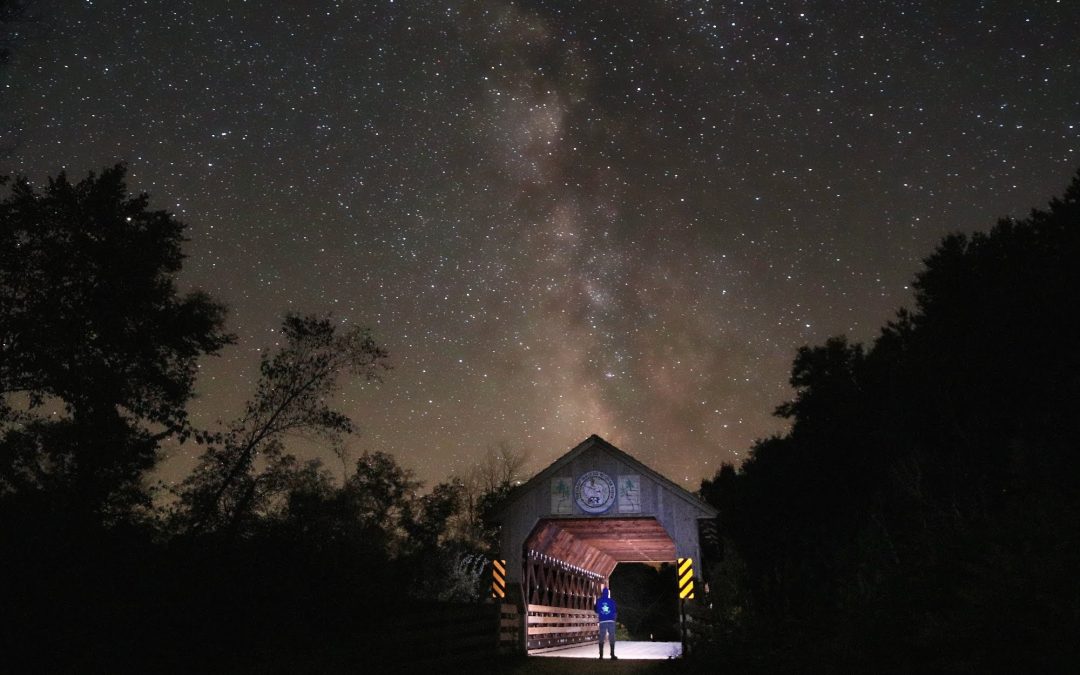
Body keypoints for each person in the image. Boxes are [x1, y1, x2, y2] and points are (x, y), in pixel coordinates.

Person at [595, 586, 618, 660]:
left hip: (602, 621)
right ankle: (612, 654)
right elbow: (615, 611)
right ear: (608, 593)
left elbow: (597, 611)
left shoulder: (598, 601)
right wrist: (614, 620)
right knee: (612, 637)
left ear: (602, 593)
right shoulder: (612, 601)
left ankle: (601, 655)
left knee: (601, 637)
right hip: (611, 621)